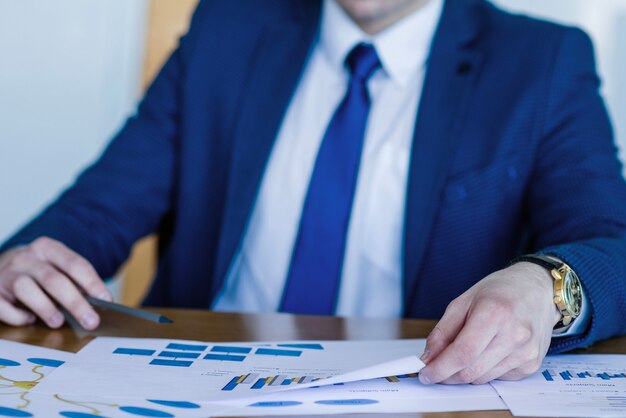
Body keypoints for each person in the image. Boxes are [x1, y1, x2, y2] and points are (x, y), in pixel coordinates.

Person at [1, 0, 625, 386]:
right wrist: (21, 265)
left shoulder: (541, 61)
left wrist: (548, 286)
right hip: (194, 386)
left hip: (421, 392)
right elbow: (91, 214)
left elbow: (612, 244)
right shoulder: (228, 25)